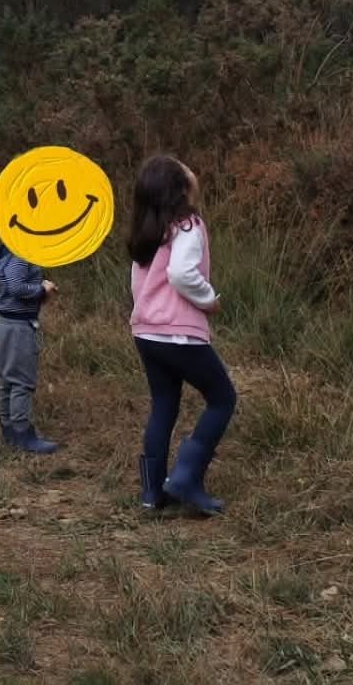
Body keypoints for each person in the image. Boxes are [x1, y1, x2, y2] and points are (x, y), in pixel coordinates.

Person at [128, 155, 237, 515]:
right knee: (222, 398)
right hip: (179, 334)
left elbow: (139, 284)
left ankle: (152, 493)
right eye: (185, 168)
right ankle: (186, 478)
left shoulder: (148, 231)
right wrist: (209, 299)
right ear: (180, 187)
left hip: (147, 333)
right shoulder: (188, 226)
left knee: (164, 404)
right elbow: (181, 273)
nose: (193, 171)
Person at [0, 242, 60, 454]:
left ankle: (9, 429)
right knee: (21, 382)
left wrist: (41, 293)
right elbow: (16, 287)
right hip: (17, 330)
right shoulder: (21, 252)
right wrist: (42, 289)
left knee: (8, 381)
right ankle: (23, 434)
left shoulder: (8, 249)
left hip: (6, 325)